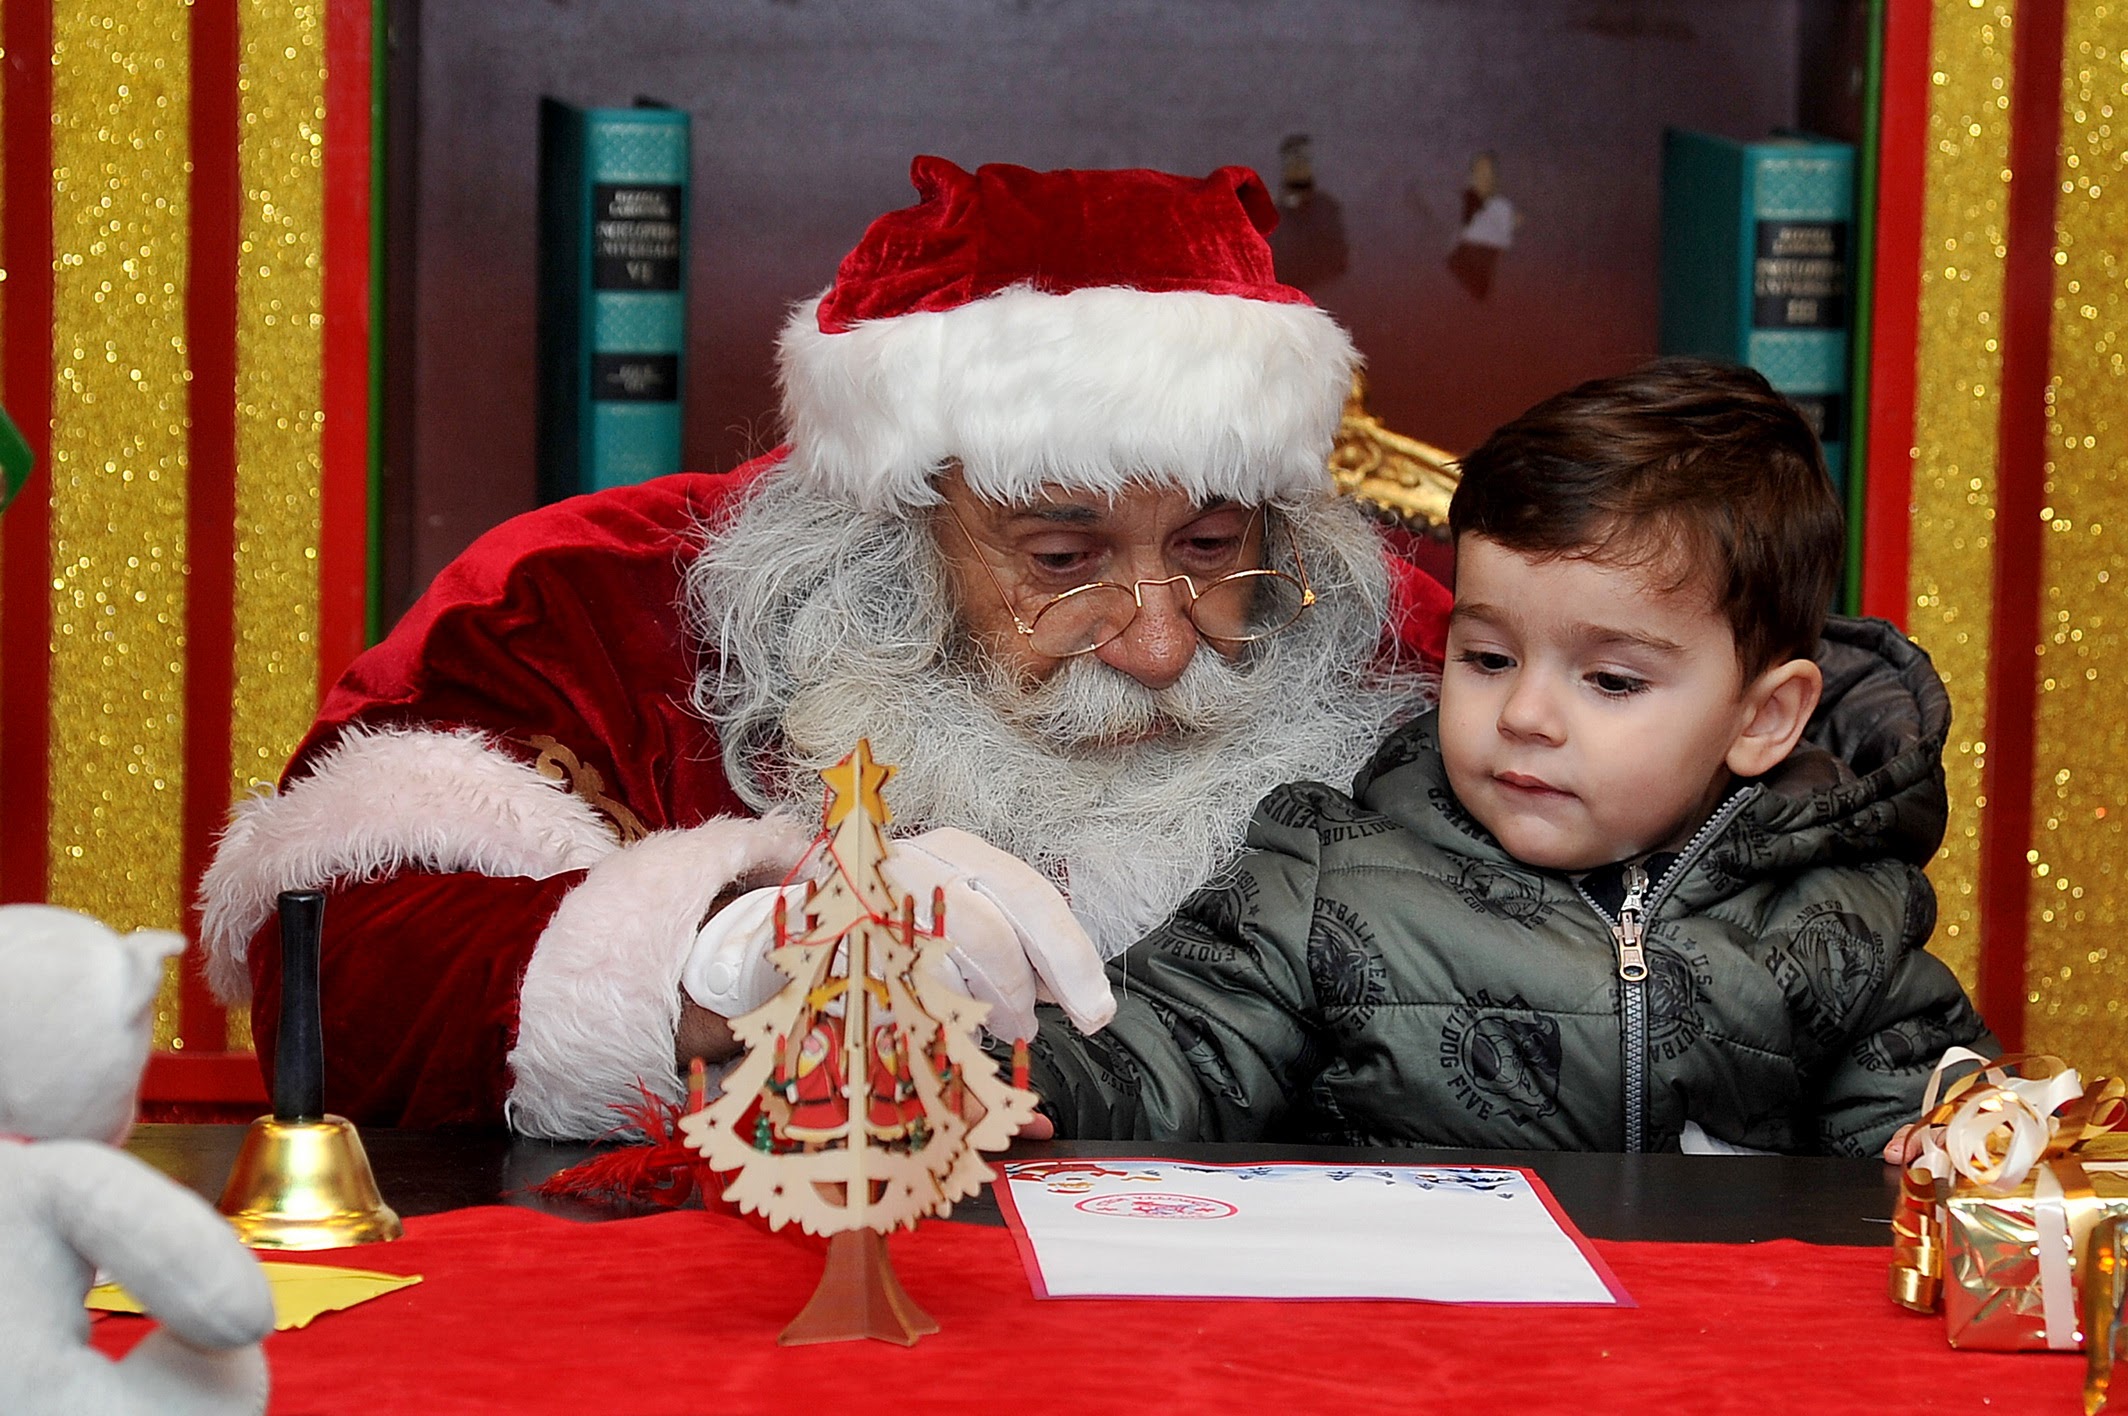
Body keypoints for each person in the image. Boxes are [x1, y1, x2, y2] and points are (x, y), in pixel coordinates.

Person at [196, 157, 1448, 1138]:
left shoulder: (1395, 636)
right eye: (1063, 562)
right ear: (889, 535)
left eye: (1210, 546)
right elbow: (338, 963)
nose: (1163, 647)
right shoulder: (588, 605)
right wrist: (732, 957)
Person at [1022, 358, 1997, 1156]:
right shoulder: (1330, 874)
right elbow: (1169, 1048)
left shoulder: (1840, 916)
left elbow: (1913, 1105)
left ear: (1763, 718)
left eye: (1611, 681)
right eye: (1488, 659)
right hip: (1419, 1318)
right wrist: (1018, 1082)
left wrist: (1953, 1134)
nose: (1525, 714)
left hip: (1702, 1326)